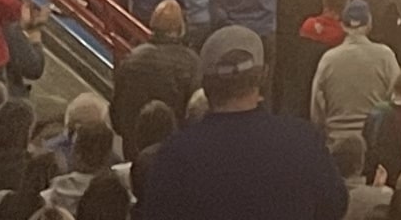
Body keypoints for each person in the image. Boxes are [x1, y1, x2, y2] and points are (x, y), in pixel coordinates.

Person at [139, 30, 344, 220]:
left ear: (205, 83)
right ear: (263, 76)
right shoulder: (303, 139)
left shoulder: (175, 154)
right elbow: (335, 206)